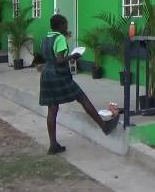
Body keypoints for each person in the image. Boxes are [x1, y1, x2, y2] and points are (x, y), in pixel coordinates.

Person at [39, 14, 119, 155]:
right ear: (60, 25)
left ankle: (53, 145)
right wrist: (74, 56)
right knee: (82, 98)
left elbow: (49, 55)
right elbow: (59, 60)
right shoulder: (60, 38)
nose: (67, 27)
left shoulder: (46, 38)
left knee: (52, 109)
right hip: (59, 75)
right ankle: (104, 126)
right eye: (65, 24)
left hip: (46, 74)